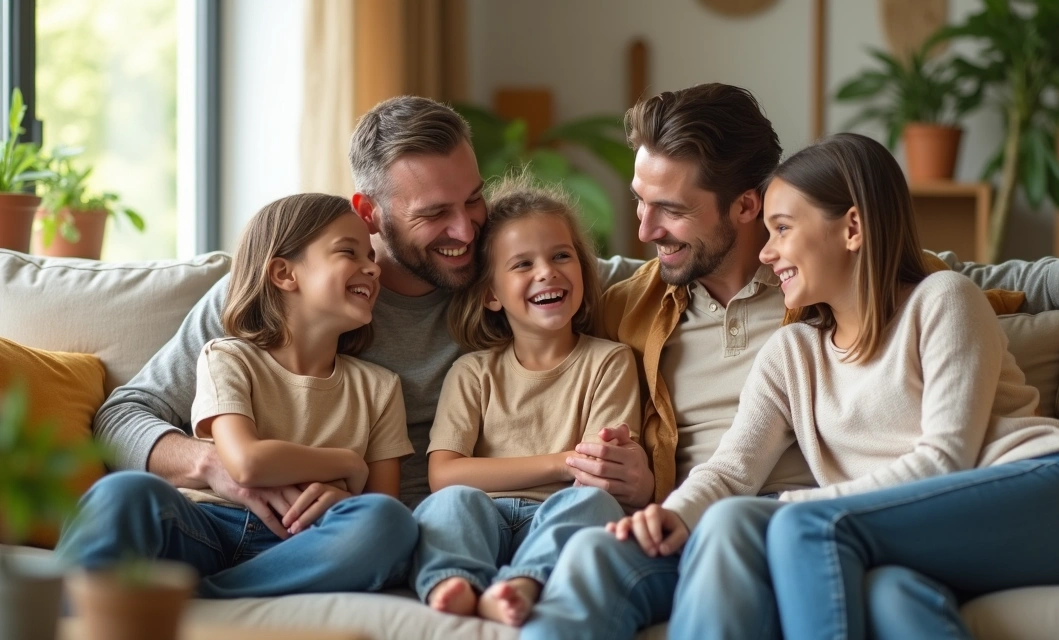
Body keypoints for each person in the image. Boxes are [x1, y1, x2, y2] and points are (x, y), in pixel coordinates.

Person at [522, 83, 1059, 640]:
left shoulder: (922, 295)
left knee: (772, 526)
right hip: (812, 522)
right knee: (886, 596)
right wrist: (670, 511)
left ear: (749, 207)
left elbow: (958, 296)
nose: (643, 229)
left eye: (670, 209)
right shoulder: (735, 331)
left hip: (966, 494)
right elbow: (728, 468)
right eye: (639, 201)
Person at [84, 97, 643, 589]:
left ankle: (207, 597)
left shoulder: (510, 270)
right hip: (239, 515)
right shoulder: (279, 296)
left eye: (473, 199)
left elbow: (637, 274)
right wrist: (215, 465)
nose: (467, 232)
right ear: (369, 213)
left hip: (387, 531)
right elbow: (124, 416)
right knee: (125, 497)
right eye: (434, 214)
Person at [59, 194, 417, 597]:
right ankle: (57, 616)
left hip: (301, 542)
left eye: (371, 256)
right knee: (121, 493)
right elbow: (245, 464)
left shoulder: (381, 387)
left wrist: (340, 501)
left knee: (391, 524)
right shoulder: (227, 356)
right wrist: (347, 462)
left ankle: (209, 594)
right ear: (284, 273)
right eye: (349, 252)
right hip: (207, 522)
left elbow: (383, 505)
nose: (373, 267)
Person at [411, 175, 640, 626]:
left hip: (560, 513)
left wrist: (576, 468)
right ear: (491, 295)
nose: (546, 272)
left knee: (594, 506)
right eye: (522, 264)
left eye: (561, 256)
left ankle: (523, 583)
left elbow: (596, 476)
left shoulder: (609, 361)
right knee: (451, 505)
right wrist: (560, 462)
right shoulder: (473, 372)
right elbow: (444, 474)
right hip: (485, 516)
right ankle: (453, 581)